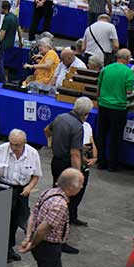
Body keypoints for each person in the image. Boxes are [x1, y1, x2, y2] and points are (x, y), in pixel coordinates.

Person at [19, 168, 85, 267]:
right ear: (71, 187)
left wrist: (28, 236)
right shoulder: (60, 205)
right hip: (47, 247)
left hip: (42, 245)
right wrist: (32, 243)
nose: (82, 187)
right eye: (80, 184)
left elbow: (33, 215)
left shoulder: (49, 192)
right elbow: (43, 229)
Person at [0, 129, 41, 263]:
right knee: (1, 221)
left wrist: (29, 187)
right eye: (11, 144)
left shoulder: (33, 154)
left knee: (15, 222)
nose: (13, 148)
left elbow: (36, 176)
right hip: (2, 187)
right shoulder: (1, 149)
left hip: (21, 191)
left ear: (24, 142)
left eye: (17, 145)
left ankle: (8, 248)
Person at [45, 97, 93, 240]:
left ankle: (69, 217)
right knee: (67, 197)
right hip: (66, 165)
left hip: (56, 161)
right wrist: (78, 174)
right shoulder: (78, 127)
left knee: (56, 192)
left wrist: (51, 144)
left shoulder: (60, 118)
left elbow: (47, 130)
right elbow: (75, 153)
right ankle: (60, 229)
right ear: (86, 114)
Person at [96, 49, 134, 172]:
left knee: (101, 135)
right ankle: (113, 165)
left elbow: (99, 87)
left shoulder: (106, 69)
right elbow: (128, 92)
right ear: (127, 58)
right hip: (119, 108)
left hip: (103, 105)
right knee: (115, 137)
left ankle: (101, 162)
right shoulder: (128, 72)